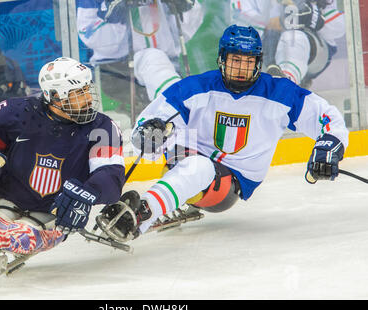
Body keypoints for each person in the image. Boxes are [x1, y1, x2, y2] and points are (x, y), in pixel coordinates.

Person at [93, 24, 349, 243]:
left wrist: (330, 146)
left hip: (230, 182)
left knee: (200, 167)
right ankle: (167, 195)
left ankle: (140, 215)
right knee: (170, 97)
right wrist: (148, 133)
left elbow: (328, 118)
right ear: (222, 59)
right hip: (186, 155)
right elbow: (151, 123)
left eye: (248, 62)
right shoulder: (199, 87)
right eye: (235, 61)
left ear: (258, 62)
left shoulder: (279, 93)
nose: (241, 69)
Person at [0, 57, 125, 255]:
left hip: (54, 212)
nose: (88, 98)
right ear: (55, 96)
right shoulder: (15, 112)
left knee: (23, 238)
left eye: (88, 89)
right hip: (10, 201)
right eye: (79, 93)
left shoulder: (102, 128)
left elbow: (111, 175)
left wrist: (88, 193)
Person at [76, 0, 204, 117]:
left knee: (155, 60)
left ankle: (182, 113)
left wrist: (184, 6)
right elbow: (90, 35)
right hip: (119, 71)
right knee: (153, 59)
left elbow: (186, 30)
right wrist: (117, 14)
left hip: (168, 66)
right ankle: (180, 112)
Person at [230, 0, 345, 88]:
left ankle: (285, 88)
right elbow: (240, 20)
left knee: (292, 39)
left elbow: (342, 24)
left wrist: (314, 17)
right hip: (261, 52)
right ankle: (283, 86)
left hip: (314, 50)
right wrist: (277, 23)